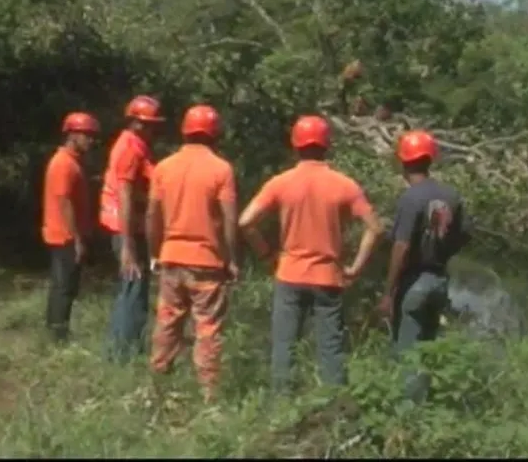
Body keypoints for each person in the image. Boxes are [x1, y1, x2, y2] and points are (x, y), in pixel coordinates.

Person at [239, 115, 384, 396]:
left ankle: (283, 406)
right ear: (327, 145)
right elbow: (375, 228)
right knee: (330, 349)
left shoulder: (280, 183)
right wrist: (355, 267)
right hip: (328, 276)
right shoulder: (344, 185)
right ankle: (334, 405)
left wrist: (266, 254)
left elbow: (246, 222)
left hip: (289, 274)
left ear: (295, 145)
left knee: (284, 346)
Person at [145, 104, 238, 404]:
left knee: (167, 321)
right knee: (208, 328)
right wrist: (231, 258)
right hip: (207, 263)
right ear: (214, 133)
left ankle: (158, 384)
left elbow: (152, 214)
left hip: (171, 257)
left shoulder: (164, 167)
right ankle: (209, 395)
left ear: (184, 130)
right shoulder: (221, 169)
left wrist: (155, 253)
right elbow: (229, 219)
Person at [378, 130, 471, 404]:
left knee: (408, 353)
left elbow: (401, 246)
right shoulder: (451, 195)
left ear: (403, 162)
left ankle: (407, 415)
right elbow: (465, 234)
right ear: (430, 160)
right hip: (439, 280)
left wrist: (388, 291)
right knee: (428, 350)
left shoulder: (411, 198)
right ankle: (428, 406)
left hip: (414, 281)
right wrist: (443, 252)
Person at [99, 95, 164, 362]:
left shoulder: (138, 146)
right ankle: (123, 353)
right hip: (125, 229)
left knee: (133, 289)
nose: (152, 129)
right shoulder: (129, 148)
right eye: (147, 124)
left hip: (132, 228)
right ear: (134, 122)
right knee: (133, 289)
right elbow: (124, 196)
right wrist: (128, 246)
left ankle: (123, 349)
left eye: (153, 124)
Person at [41, 112, 99, 343]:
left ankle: (57, 330)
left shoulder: (72, 162)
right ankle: (57, 334)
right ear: (72, 135)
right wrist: (77, 239)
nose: (91, 140)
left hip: (67, 234)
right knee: (63, 287)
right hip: (64, 235)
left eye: (92, 136)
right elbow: (64, 202)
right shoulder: (63, 163)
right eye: (87, 135)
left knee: (66, 285)